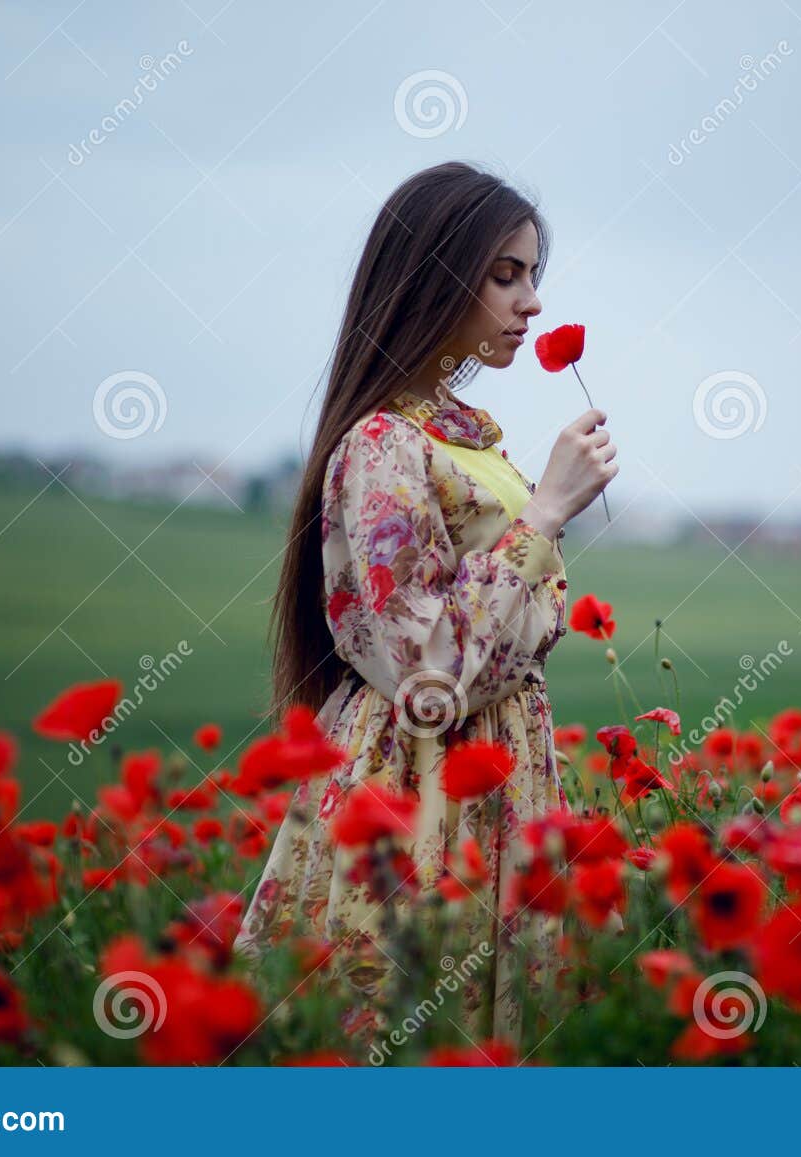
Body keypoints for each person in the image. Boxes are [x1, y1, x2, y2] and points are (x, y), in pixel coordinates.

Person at [233, 161, 617, 1044]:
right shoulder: (381, 444)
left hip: (498, 765)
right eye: (505, 274)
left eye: (534, 277)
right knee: (406, 1022)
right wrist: (547, 513)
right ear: (434, 275)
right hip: (419, 777)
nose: (531, 304)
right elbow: (421, 663)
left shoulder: (458, 437)